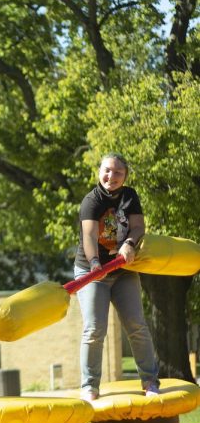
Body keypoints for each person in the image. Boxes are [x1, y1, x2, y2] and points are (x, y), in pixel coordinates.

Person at [74, 153, 160, 402]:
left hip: (123, 270)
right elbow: (89, 237)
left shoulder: (130, 196)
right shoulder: (91, 201)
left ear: (125, 177)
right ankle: (89, 386)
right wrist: (94, 264)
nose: (111, 176)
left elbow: (137, 227)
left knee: (136, 325)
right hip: (93, 272)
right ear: (99, 171)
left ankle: (150, 381)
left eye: (117, 172)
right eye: (107, 170)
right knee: (94, 329)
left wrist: (130, 243)